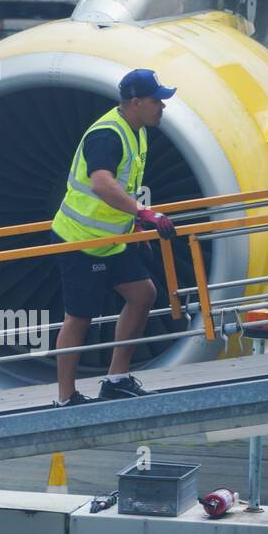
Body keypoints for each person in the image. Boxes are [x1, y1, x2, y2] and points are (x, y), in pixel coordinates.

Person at [49, 68, 178, 407]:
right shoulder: (108, 135)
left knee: (143, 294)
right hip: (81, 240)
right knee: (79, 317)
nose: (162, 107)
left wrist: (134, 226)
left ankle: (116, 379)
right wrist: (145, 214)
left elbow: (126, 187)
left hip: (111, 239)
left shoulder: (137, 131)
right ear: (135, 102)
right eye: (156, 101)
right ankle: (66, 397)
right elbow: (102, 184)